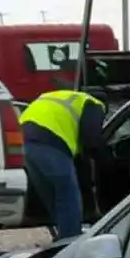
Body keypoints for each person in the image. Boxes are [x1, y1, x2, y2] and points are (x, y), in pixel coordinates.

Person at [18, 88, 107, 239]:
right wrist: (104, 160)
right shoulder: (94, 104)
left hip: (23, 140)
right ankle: (71, 242)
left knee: (52, 196)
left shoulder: (62, 96)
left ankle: (62, 236)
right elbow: (91, 141)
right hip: (51, 141)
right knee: (68, 197)